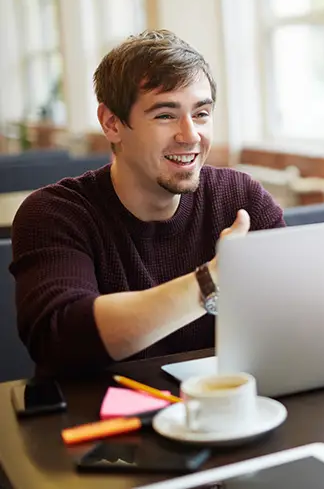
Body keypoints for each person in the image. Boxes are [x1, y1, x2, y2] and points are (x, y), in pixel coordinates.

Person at [10, 30, 285, 376]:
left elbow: (292, 314)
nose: (190, 135)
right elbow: (60, 336)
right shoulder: (55, 213)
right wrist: (211, 280)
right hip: (99, 421)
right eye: (165, 115)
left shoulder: (241, 198)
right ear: (112, 123)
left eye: (201, 114)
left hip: (220, 412)